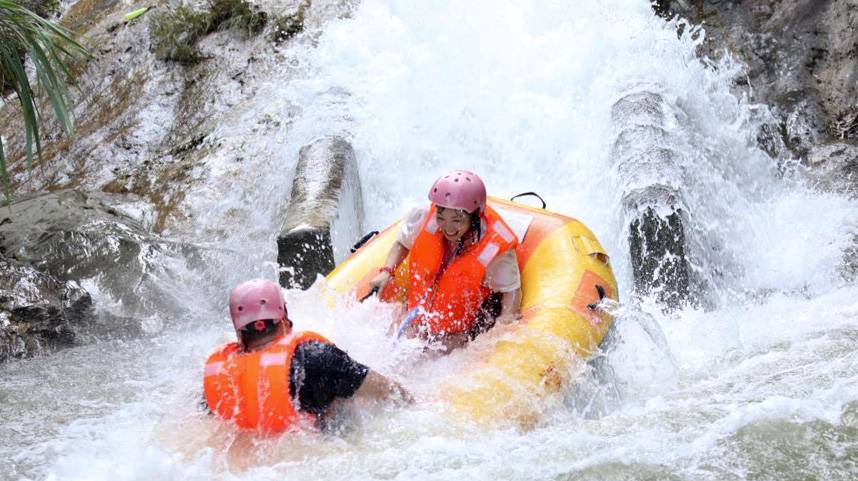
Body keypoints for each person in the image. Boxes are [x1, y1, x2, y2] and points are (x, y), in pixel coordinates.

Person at [203, 279, 411, 434]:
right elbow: (392, 394)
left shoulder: (220, 375)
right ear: (284, 319)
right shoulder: (316, 359)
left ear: (239, 332)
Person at [369, 170, 522, 351]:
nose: (448, 228)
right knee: (386, 344)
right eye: (442, 217)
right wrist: (387, 272)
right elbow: (402, 243)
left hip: (457, 334)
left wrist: (503, 326)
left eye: (457, 220)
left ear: (474, 217)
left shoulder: (495, 248)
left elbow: (511, 290)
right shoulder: (423, 216)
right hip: (414, 315)